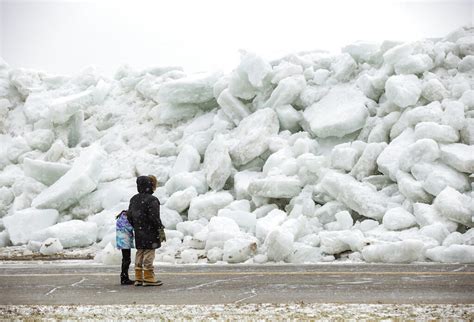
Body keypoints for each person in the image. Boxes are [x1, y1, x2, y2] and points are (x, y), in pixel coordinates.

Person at [127, 175, 164, 287]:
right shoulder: (152, 200)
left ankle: (138, 278)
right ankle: (148, 277)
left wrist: (136, 225)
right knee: (149, 251)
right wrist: (160, 228)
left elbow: (129, 215)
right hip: (150, 230)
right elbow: (154, 217)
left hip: (138, 230)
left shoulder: (134, 199)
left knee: (140, 251)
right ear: (150, 185)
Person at [115, 210, 134, 285]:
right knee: (126, 259)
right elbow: (130, 228)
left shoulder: (122, 217)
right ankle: (124, 278)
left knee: (125, 259)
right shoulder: (126, 218)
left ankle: (124, 277)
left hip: (121, 240)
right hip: (124, 240)